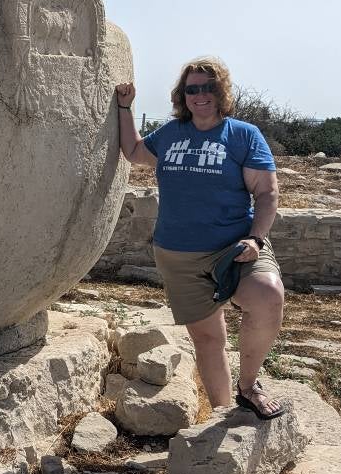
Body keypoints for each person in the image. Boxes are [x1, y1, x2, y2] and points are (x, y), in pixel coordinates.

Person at [116, 57, 285, 420]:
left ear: (220, 92)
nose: (200, 95)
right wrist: (124, 108)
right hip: (178, 254)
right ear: (183, 95)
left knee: (268, 296)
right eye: (192, 89)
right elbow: (133, 151)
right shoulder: (171, 133)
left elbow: (267, 193)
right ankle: (224, 415)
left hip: (236, 246)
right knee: (209, 340)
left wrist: (256, 239)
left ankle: (249, 384)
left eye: (208, 87)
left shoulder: (242, 134)